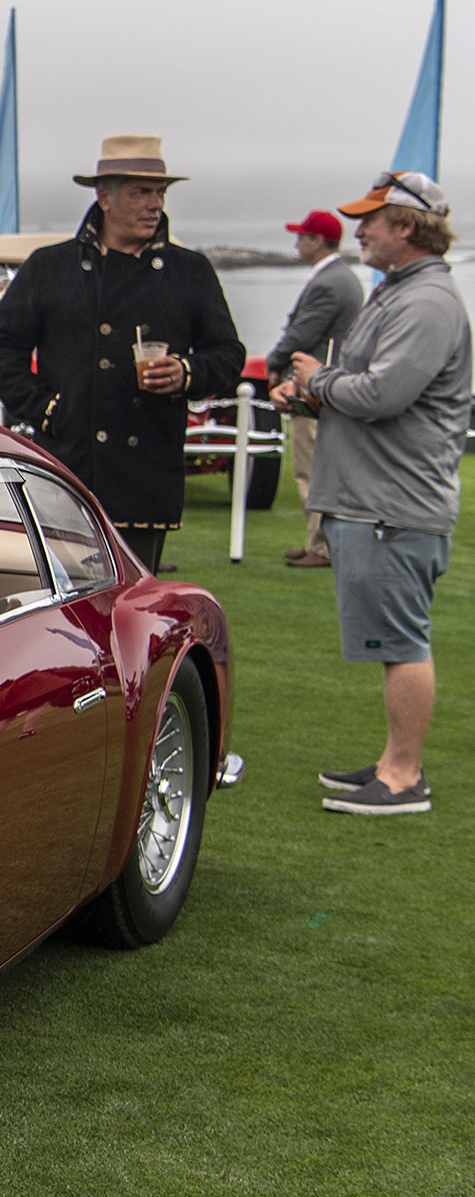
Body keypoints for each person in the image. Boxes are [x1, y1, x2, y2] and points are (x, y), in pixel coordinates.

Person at [268, 172, 469, 816]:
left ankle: (404, 777)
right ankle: (392, 762)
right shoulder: (402, 292)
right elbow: (368, 386)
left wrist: (317, 382)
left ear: (406, 227)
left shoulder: (427, 301)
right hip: (380, 499)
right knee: (394, 640)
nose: (359, 230)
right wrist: (312, 390)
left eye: (372, 220)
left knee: (404, 642)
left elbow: (383, 394)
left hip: (396, 503)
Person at [0, 135, 244, 572]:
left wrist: (187, 372)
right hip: (69, 465)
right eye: (141, 192)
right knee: (63, 616)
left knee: (131, 615)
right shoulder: (51, 266)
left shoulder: (190, 271)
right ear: (104, 197)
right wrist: (47, 409)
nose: (154, 204)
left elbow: (228, 354)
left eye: (159, 192)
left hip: (146, 473)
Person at [266, 208, 367, 569]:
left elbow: (302, 333)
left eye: (302, 237)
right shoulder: (343, 277)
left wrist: (274, 363)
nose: (296, 243)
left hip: (317, 389)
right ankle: (317, 540)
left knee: (312, 467)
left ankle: (321, 546)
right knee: (318, 466)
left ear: (318, 241)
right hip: (330, 386)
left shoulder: (329, 282)